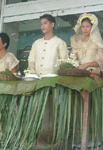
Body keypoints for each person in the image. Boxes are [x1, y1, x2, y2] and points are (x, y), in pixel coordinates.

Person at [27, 14, 69, 149]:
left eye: (45, 23)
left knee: (52, 113)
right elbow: (31, 61)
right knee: (37, 113)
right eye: (41, 24)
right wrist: (33, 73)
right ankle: (37, 143)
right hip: (38, 83)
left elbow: (64, 64)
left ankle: (54, 144)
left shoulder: (60, 42)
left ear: (52, 25)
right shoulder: (36, 43)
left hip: (53, 85)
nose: (43, 26)